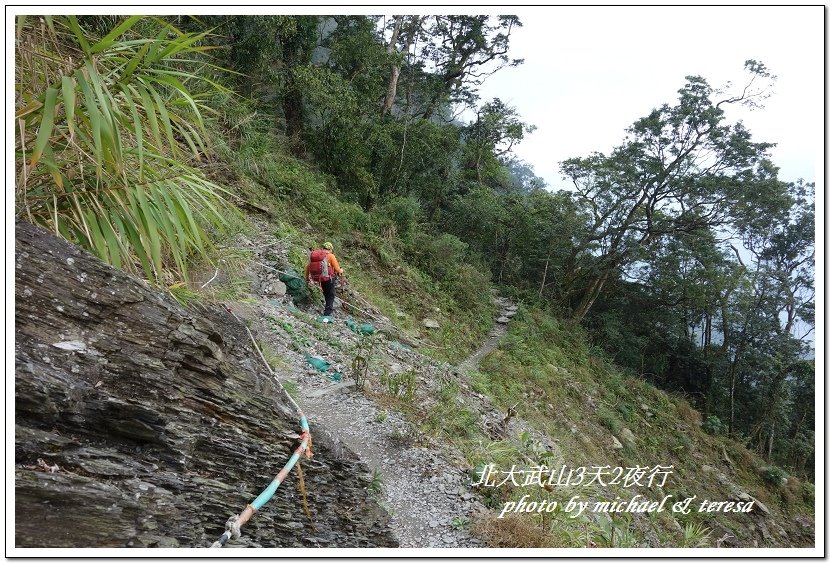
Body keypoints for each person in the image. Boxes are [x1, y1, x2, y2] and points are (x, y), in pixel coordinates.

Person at [305, 242, 345, 317]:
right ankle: (327, 315)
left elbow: (308, 267)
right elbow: (337, 269)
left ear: (322, 248)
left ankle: (326, 310)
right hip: (329, 278)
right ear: (330, 249)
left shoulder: (315, 256)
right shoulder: (331, 256)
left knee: (326, 294)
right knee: (331, 295)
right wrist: (341, 270)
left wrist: (307, 278)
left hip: (320, 278)